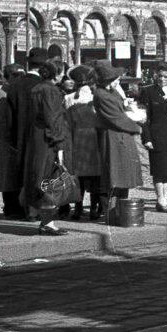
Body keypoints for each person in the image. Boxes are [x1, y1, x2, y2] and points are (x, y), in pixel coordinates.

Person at [21, 61, 72, 235]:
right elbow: (53, 119)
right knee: (51, 178)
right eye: (61, 72)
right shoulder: (51, 91)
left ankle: (45, 220)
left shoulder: (36, 89)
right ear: (55, 73)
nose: (63, 75)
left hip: (37, 137)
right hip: (48, 140)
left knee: (40, 176)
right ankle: (48, 222)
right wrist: (59, 144)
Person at [93, 61, 144, 220]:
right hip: (113, 138)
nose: (117, 81)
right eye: (114, 78)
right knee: (114, 176)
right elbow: (117, 118)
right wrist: (138, 127)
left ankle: (120, 211)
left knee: (123, 176)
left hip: (121, 137)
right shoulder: (101, 95)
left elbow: (120, 107)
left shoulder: (111, 91)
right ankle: (112, 212)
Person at [137, 62, 167, 213]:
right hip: (156, 137)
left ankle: (165, 197)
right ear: (155, 75)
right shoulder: (147, 91)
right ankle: (161, 200)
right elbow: (144, 118)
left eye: (166, 76)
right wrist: (147, 138)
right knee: (159, 170)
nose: (162, 79)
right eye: (159, 76)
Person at [6, 47, 48, 218]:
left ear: (28, 63)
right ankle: (35, 210)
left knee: (20, 172)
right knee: (38, 173)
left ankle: (21, 209)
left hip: (19, 136)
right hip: (40, 137)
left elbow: (9, 117)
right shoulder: (44, 86)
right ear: (44, 66)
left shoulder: (14, 85)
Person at [65, 65, 102, 220]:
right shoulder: (97, 97)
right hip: (94, 139)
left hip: (77, 138)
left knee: (78, 176)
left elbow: (67, 122)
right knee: (95, 176)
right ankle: (94, 209)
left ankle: (78, 209)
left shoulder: (69, 98)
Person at [0, 64, 25, 218]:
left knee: (14, 176)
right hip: (7, 143)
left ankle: (15, 206)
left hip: (14, 143)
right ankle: (10, 208)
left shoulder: (13, 92)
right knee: (8, 176)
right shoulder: (2, 95)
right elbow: (0, 122)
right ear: (10, 76)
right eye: (18, 76)